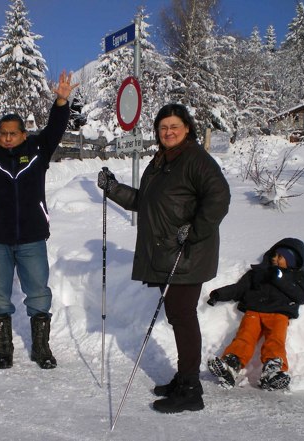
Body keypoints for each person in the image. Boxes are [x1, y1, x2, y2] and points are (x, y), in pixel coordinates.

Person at [97, 103, 231, 413]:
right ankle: (184, 379)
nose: (168, 132)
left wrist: (194, 231)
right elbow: (145, 202)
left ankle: (191, 391)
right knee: (178, 317)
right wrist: (114, 189)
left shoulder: (196, 159)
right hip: (166, 253)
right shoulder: (160, 162)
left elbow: (219, 197)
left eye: (174, 126)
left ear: (187, 128)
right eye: (163, 127)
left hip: (186, 255)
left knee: (183, 319)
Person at [0, 71, 78, 370]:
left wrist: (61, 100)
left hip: (32, 237)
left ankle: (41, 348)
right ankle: (4, 349)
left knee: (38, 293)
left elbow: (55, 128)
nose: (7, 138)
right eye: (2, 133)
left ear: (24, 134)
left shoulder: (38, 151)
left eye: (13, 133)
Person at [206, 238, 304, 391]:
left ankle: (273, 370)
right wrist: (219, 294)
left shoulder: (298, 277)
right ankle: (231, 364)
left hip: (279, 314)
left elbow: (300, 296)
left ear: (291, 260)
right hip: (254, 311)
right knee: (245, 337)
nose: (274, 258)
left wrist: (280, 278)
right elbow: (239, 288)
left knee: (275, 340)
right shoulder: (259, 272)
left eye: (280, 257)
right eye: (274, 255)